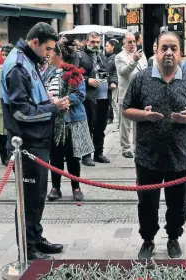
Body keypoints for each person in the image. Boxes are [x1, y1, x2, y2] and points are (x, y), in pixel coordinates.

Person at [121, 31, 186, 260]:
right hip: (148, 156)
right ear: (155, 51)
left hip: (180, 156)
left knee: (178, 204)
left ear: (180, 53)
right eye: (164, 48)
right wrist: (144, 115)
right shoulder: (141, 79)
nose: (168, 53)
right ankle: (147, 240)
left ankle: (173, 238)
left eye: (173, 48)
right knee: (147, 204)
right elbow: (126, 109)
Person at [0, 22, 69, 260]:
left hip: (37, 140)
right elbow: (21, 112)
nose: (50, 54)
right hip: (28, 142)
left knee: (37, 195)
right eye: (48, 49)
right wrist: (53, 108)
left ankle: (35, 237)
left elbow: (31, 99)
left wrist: (49, 102)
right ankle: (28, 247)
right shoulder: (18, 66)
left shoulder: (27, 60)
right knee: (30, 197)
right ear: (35, 42)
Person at [45, 42, 94, 202]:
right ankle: (56, 187)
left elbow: (80, 94)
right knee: (55, 155)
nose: (48, 54)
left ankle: (76, 186)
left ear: (59, 55)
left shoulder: (73, 73)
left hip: (70, 120)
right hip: (53, 121)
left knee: (73, 155)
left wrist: (62, 102)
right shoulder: (47, 73)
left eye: (51, 52)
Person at [76, 31, 109, 166]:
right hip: (88, 97)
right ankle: (86, 155)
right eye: (92, 42)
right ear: (86, 42)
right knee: (88, 126)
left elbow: (110, 72)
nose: (95, 45)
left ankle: (98, 153)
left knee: (101, 126)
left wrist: (112, 81)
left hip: (103, 96)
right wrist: (87, 80)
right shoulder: (79, 56)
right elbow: (73, 74)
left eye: (97, 42)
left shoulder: (102, 56)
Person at [116, 32, 148, 159]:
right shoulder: (119, 57)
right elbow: (123, 72)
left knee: (138, 122)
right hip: (125, 94)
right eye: (129, 42)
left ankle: (137, 146)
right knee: (125, 124)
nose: (132, 44)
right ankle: (126, 148)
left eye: (134, 41)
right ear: (123, 43)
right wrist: (133, 61)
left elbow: (145, 70)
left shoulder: (142, 54)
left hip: (140, 94)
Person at [105, 38, 120, 125]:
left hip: (113, 82)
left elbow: (108, 69)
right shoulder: (113, 57)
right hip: (113, 82)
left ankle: (120, 121)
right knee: (113, 102)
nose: (105, 48)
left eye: (107, 46)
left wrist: (113, 81)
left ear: (113, 47)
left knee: (114, 102)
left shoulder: (113, 57)